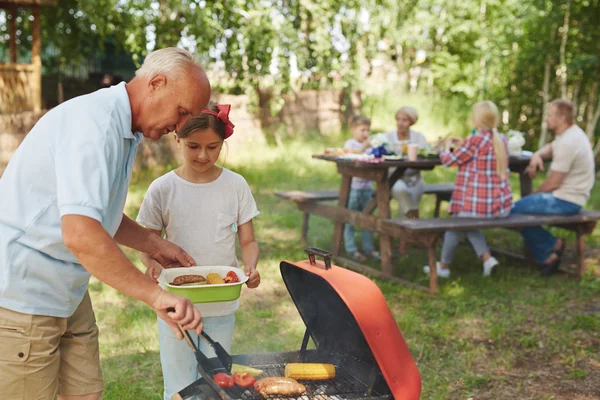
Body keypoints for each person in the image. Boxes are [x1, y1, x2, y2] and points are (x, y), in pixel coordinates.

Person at [0, 47, 211, 400]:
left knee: (86, 393)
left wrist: (154, 244)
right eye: (182, 112)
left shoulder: (125, 129)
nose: (181, 126)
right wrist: (156, 297)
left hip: (67, 290)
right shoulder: (94, 125)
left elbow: (95, 213)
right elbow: (81, 235)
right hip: (25, 292)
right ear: (156, 83)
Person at [136, 103, 261, 399]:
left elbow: (248, 241)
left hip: (221, 306)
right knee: (179, 385)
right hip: (175, 306)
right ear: (176, 138)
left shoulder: (235, 186)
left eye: (212, 147)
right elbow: (147, 243)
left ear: (222, 145)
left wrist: (251, 266)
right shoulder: (162, 189)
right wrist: (151, 263)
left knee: (218, 383)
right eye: (193, 146)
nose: (203, 155)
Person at [424, 100, 511, 278]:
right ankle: (487, 260)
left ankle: (444, 266)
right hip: (500, 206)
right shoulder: (501, 139)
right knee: (463, 221)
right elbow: (479, 150)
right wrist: (463, 143)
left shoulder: (475, 139)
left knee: (455, 224)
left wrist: (445, 147)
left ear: (476, 120)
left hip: (480, 206)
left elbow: (449, 160)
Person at [511, 99, 595, 275]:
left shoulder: (568, 142)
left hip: (566, 201)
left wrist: (533, 196)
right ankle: (548, 250)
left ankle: (551, 247)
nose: (546, 118)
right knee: (520, 209)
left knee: (514, 211)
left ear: (562, 118)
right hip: (571, 197)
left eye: (550, 115)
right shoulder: (571, 134)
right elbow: (551, 147)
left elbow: (553, 183)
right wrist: (537, 155)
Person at [342, 116, 380, 261]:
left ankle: (368, 248)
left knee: (367, 219)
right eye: (362, 129)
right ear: (353, 130)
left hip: (367, 188)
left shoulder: (370, 146)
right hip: (353, 188)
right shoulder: (350, 144)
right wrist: (364, 148)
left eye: (367, 130)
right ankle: (351, 249)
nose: (365, 133)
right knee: (350, 218)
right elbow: (350, 157)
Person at [385, 106, 429, 219]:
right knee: (401, 191)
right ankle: (415, 219)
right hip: (394, 178)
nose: (400, 123)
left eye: (404, 120)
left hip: (414, 177)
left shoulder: (419, 137)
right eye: (398, 119)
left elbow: (426, 155)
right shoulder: (388, 137)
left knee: (409, 203)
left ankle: (406, 233)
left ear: (411, 122)